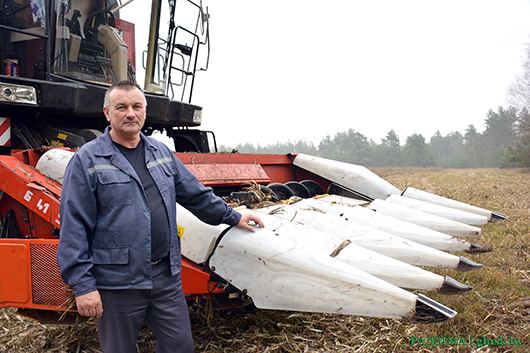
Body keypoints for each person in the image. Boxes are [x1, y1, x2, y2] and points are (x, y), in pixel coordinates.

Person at [57, 80, 264, 353]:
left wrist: (232, 216)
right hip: (117, 281)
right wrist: (83, 286)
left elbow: (195, 194)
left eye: (136, 106)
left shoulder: (160, 152)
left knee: (179, 346)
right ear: (107, 113)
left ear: (144, 111)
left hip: (164, 277)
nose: (130, 113)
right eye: (121, 107)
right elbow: (74, 227)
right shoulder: (88, 160)